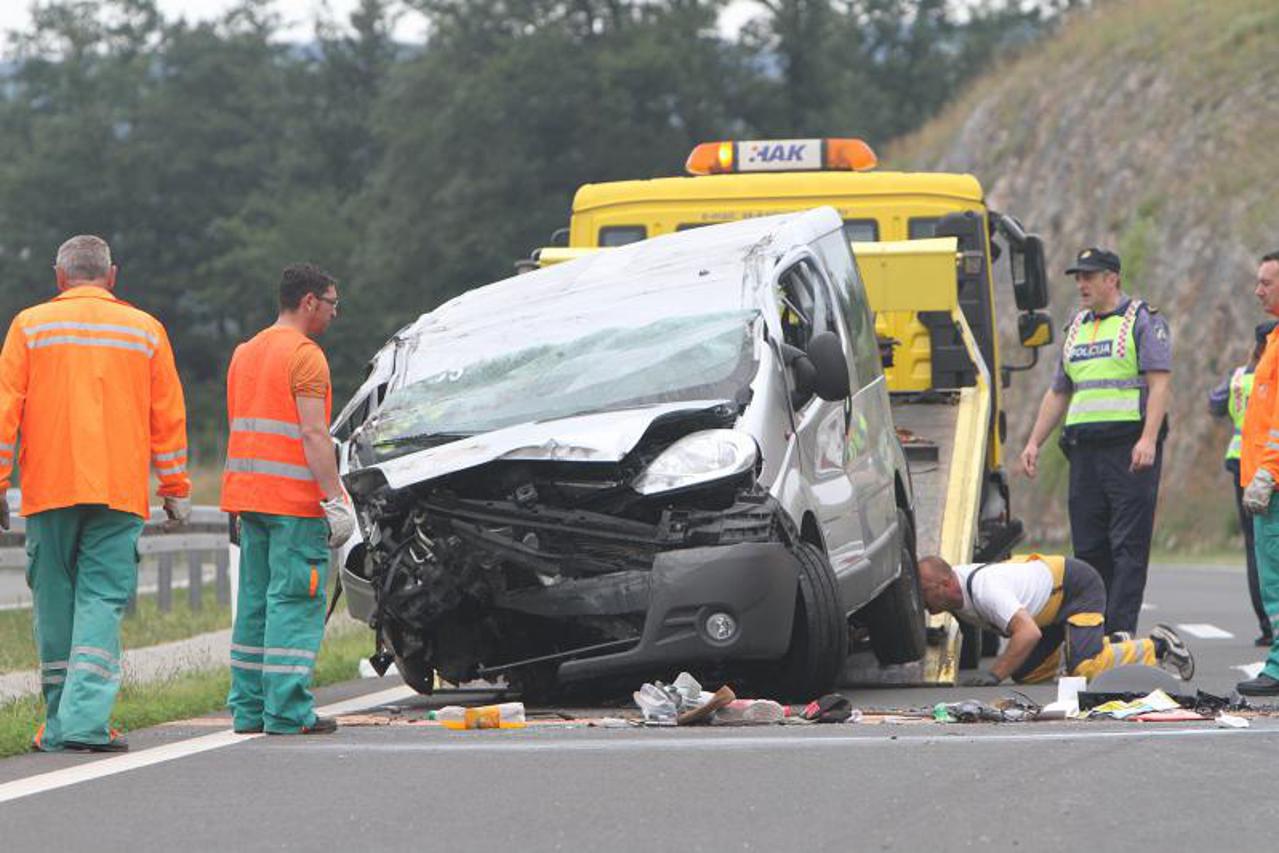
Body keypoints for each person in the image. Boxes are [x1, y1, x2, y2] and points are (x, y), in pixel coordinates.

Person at [0, 235, 191, 753]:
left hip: (49, 488)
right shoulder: (146, 331)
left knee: (55, 603)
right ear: (112, 276)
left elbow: (4, 414)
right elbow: (168, 419)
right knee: (101, 601)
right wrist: (174, 488)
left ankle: (59, 722)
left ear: (59, 277)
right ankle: (84, 721)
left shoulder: (29, 326)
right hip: (119, 490)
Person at [221, 263, 356, 734]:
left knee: (255, 602)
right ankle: (287, 710)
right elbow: (314, 434)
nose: (336, 314)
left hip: (248, 498)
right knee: (296, 600)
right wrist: (334, 498)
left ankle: (249, 707)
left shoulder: (245, 352)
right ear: (309, 302)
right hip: (293, 503)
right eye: (334, 304)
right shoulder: (306, 356)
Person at [1019, 247, 1172, 634]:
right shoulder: (1077, 327)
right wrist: (1034, 441)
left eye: (1089, 276)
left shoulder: (1141, 321)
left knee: (1127, 548)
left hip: (1128, 450)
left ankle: (1120, 634)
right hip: (1084, 452)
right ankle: (1093, 632)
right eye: (1078, 277)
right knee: (1088, 548)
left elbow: (1159, 384)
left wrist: (1149, 439)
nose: (1081, 284)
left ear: (1112, 279)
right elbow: (1059, 392)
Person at [918, 553, 1193, 686]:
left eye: (925, 594)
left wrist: (993, 675)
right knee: (1026, 675)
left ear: (945, 585)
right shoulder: (954, 593)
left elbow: (1027, 634)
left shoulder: (985, 590)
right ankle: (1107, 643)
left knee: (1084, 670)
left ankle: (1157, 646)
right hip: (1044, 613)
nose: (922, 603)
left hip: (1076, 588)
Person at [1208, 320, 1277, 648]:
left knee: (1255, 548)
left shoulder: (1237, 378)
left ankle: (1266, 624)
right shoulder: (1266, 374)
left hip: (1243, 464)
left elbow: (1214, 404)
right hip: (1263, 465)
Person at [1236, 251, 1279, 696]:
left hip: (1275, 483)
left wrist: (1268, 472)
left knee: (1276, 579)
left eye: (1266, 282)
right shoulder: (1275, 340)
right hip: (1266, 476)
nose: (1258, 290)